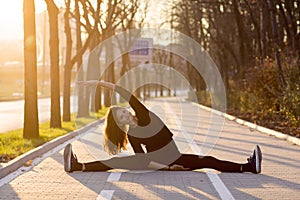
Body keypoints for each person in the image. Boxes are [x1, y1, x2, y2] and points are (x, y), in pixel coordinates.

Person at [64, 80, 262, 173]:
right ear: (119, 123)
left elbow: (126, 94)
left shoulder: (143, 115)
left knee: (209, 160)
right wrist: (168, 169)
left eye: (123, 110)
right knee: (113, 163)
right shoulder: (132, 134)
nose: (125, 113)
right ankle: (77, 165)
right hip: (160, 162)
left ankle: (248, 166)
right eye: (120, 116)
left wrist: (98, 83)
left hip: (173, 157)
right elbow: (144, 160)